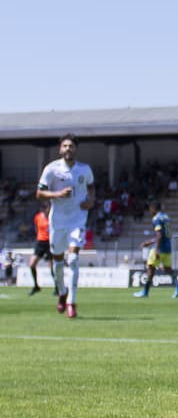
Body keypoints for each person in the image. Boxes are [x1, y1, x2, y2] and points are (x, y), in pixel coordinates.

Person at [36, 134, 96, 318]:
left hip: (77, 219)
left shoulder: (84, 169)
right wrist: (58, 194)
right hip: (58, 222)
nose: (68, 149)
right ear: (60, 149)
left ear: (75, 149)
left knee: (74, 259)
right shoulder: (52, 169)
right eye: (65, 146)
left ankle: (72, 301)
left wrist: (91, 201)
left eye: (71, 146)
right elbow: (39, 193)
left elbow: (91, 186)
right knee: (58, 262)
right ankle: (62, 292)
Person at [135, 200, 178, 299]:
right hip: (167, 247)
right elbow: (166, 234)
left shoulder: (156, 219)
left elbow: (159, 235)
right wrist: (149, 242)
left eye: (150, 209)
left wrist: (156, 249)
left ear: (153, 208)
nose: (149, 211)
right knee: (168, 269)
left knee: (150, 267)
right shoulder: (166, 217)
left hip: (160, 248)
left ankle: (145, 291)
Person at [26, 204, 53, 295]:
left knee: (52, 268)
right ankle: (36, 286)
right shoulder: (38, 217)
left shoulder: (53, 218)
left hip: (50, 243)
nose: (45, 210)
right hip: (40, 243)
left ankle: (58, 287)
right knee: (32, 264)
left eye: (46, 208)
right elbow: (36, 228)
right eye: (43, 208)